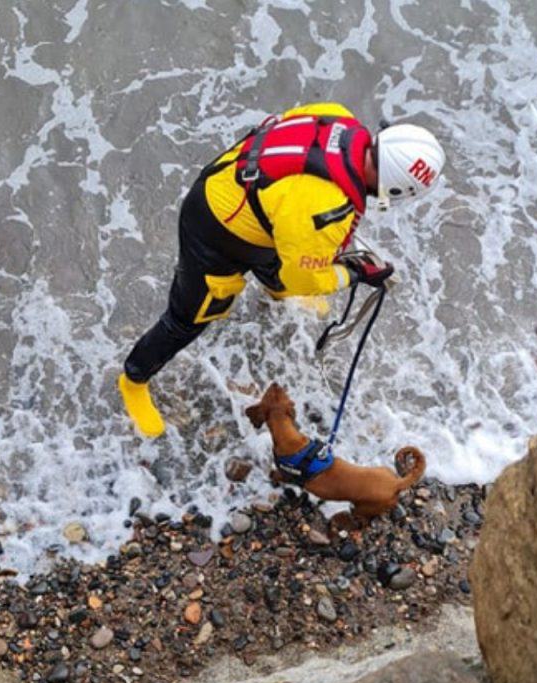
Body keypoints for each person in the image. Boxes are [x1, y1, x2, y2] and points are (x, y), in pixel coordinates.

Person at [118, 102, 445, 437]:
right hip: (214, 232)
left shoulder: (338, 116)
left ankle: (273, 289)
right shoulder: (327, 209)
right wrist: (355, 274)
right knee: (187, 320)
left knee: (281, 257)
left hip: (249, 197)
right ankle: (133, 379)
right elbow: (302, 278)